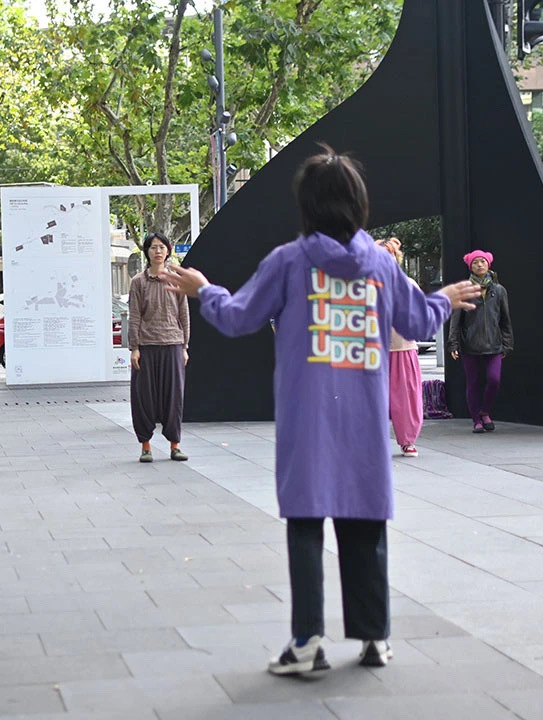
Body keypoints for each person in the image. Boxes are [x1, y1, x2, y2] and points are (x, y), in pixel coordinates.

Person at [164, 146, 480, 675]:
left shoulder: (289, 261)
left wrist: (205, 290)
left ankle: (307, 640)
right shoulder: (380, 264)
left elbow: (239, 317)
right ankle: (374, 637)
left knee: (306, 524)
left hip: (307, 419)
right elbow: (420, 321)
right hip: (362, 421)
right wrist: (444, 297)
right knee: (365, 523)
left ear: (306, 205)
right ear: (359, 204)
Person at [128, 231, 190, 463]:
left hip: (173, 343)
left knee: (174, 397)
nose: (158, 251)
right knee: (144, 397)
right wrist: (134, 347)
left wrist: (185, 346)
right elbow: (135, 316)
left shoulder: (176, 280)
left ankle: (175, 446)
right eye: (153, 247)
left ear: (168, 251)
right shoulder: (138, 282)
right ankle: (146, 447)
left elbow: (184, 314)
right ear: (147, 251)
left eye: (162, 247)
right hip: (146, 346)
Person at [448, 250, 513, 433]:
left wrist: (507, 344)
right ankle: (476, 420)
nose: (479, 265)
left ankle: (485, 411)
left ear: (488, 264)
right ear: (471, 266)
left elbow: (505, 319)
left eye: (482, 261)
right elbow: (455, 320)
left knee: (494, 380)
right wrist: (453, 343)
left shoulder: (499, 290)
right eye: (475, 262)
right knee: (473, 382)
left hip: (494, 344)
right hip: (470, 345)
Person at [377, 237, 423, 457]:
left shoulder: (409, 284)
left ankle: (407, 440)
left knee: (405, 398)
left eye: (390, 255)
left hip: (402, 348)